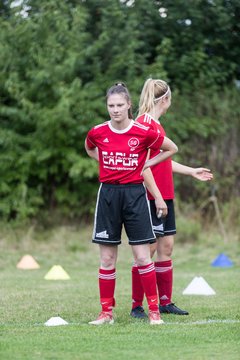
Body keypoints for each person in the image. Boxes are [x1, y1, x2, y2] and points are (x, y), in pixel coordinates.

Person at [85, 82, 178, 325]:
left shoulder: (143, 131)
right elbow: (90, 149)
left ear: (129, 105)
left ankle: (155, 312)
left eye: (119, 105)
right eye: (110, 105)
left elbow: (171, 148)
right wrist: (106, 161)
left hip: (135, 195)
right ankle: (106, 313)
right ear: (107, 106)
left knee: (143, 256)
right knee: (107, 259)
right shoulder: (97, 132)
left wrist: (146, 164)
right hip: (108, 195)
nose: (115, 110)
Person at [130, 78, 213, 319]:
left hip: (165, 196)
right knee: (149, 249)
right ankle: (137, 306)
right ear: (166, 99)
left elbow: (162, 160)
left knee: (166, 247)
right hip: (150, 197)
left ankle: (165, 302)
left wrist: (191, 171)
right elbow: (142, 167)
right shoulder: (144, 125)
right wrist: (156, 197)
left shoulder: (156, 124)